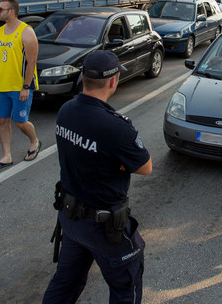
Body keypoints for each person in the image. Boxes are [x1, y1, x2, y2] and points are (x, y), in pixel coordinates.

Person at [43, 51, 152, 303]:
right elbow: (145, 167)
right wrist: (119, 164)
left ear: (82, 77)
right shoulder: (116, 127)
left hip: (71, 219)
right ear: (113, 82)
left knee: (65, 283)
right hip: (104, 227)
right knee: (126, 286)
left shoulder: (66, 110)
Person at [0, 0, 41, 171]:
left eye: (0, 9)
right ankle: (6, 156)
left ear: (11, 11)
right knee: (2, 121)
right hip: (2, 86)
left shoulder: (26, 32)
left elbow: (31, 62)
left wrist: (26, 87)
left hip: (19, 86)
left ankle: (34, 141)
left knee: (20, 122)